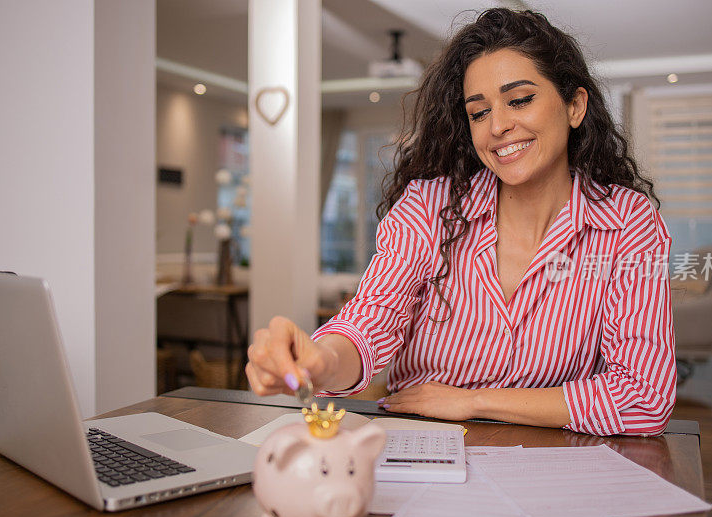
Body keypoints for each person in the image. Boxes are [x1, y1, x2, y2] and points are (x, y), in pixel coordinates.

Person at [245, 8, 676, 437]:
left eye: (520, 100)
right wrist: (321, 362)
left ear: (575, 105)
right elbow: (370, 322)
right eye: (479, 112)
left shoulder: (630, 224)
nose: (500, 126)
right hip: (421, 453)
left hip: (554, 470)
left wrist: (473, 401)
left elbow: (644, 396)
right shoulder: (429, 207)